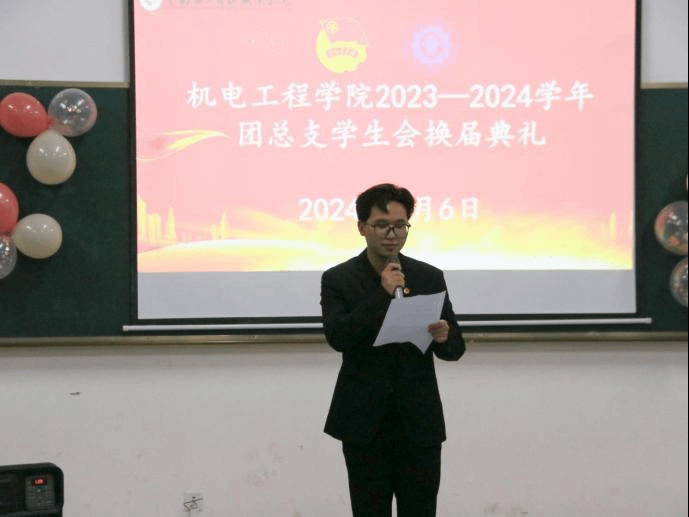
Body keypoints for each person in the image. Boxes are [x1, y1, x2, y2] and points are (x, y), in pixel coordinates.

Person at [320, 183, 466, 517]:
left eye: (401, 226)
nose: (393, 234)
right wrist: (382, 294)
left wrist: (444, 338)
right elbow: (338, 336)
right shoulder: (339, 279)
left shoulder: (428, 277)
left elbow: (455, 348)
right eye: (382, 225)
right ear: (362, 227)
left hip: (418, 422)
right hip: (364, 423)